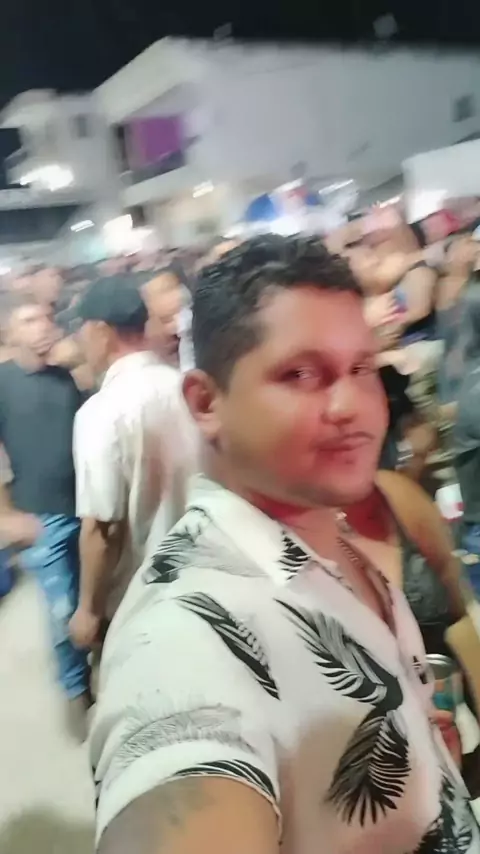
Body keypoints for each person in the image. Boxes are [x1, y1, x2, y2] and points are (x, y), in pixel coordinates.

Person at [92, 236, 479, 854]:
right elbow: (180, 763)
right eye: (300, 374)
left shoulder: (336, 534)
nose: (350, 405)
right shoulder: (183, 626)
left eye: (360, 368)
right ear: (206, 402)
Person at [69, 275, 198, 651]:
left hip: (143, 599)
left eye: (82, 331)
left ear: (101, 332)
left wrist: (88, 610)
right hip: (206, 577)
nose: (80, 342)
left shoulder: (101, 412)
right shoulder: (187, 388)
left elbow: (102, 528)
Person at [0, 296, 90, 735]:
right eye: (29, 319)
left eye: (46, 318)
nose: (42, 326)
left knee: (95, 598)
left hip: (88, 507)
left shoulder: (67, 375)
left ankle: (96, 668)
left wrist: (81, 363)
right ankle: (76, 689)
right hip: (41, 516)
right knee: (63, 609)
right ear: (10, 332)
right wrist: (5, 515)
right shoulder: (2, 382)